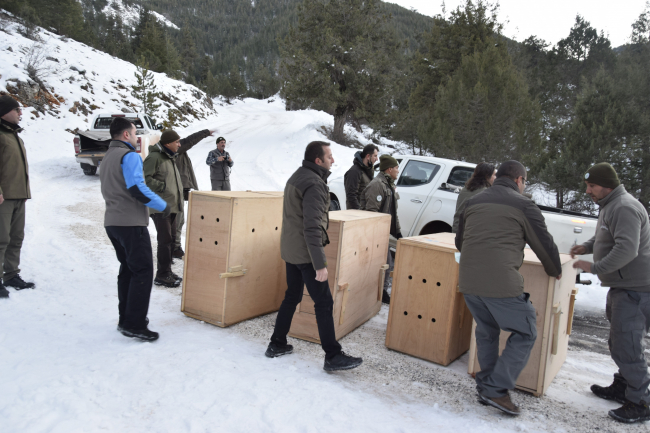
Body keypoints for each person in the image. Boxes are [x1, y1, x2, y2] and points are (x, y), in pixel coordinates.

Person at [456, 160, 562, 416]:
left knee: (487, 329)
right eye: (525, 182)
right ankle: (496, 388)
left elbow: (460, 241)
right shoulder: (524, 205)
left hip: (468, 281)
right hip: (500, 283)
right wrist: (555, 270)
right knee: (526, 332)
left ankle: (486, 386)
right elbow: (544, 244)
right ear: (519, 180)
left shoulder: (474, 201)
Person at [265, 141, 363, 372]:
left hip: (291, 250)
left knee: (292, 296)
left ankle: (276, 343)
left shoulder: (298, 176)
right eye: (329, 156)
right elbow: (312, 227)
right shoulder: (315, 184)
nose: (333, 160)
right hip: (305, 254)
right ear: (318, 160)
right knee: (324, 302)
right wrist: (320, 264)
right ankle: (333, 355)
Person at [570, 162, 650, 424]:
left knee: (627, 346)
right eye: (587, 186)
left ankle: (640, 401)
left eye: (591, 186)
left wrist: (594, 267)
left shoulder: (624, 207)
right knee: (620, 342)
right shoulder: (610, 206)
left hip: (635, 289)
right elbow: (607, 238)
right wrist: (587, 246)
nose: (588, 191)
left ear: (607, 185)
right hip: (623, 286)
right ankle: (623, 387)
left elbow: (627, 249)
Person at [100, 117, 168, 341]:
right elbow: (137, 188)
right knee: (143, 271)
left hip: (113, 222)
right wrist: (162, 205)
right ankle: (135, 324)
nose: (138, 136)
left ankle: (126, 319)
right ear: (126, 135)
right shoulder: (129, 156)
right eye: (134, 131)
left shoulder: (108, 156)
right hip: (131, 223)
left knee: (128, 270)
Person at [0, 95, 35, 299]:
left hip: (18, 196)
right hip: (3, 197)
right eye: (17, 110)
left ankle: (11, 274)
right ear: (5, 111)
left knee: (16, 237)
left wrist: (24, 193)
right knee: (1, 239)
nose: (20, 114)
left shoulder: (14, 135)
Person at [143, 130, 186, 288]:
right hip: (160, 206)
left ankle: (167, 271)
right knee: (165, 241)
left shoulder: (169, 157)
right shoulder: (154, 157)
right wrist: (162, 187)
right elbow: (145, 178)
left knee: (172, 240)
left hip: (172, 206)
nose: (179, 145)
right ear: (168, 143)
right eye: (177, 142)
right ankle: (161, 275)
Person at [360, 154, 402, 304]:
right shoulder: (377, 185)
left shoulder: (389, 185)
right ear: (389, 169)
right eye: (396, 168)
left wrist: (398, 232)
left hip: (384, 232)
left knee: (387, 263)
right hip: (375, 233)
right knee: (385, 263)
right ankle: (379, 292)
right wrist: (377, 235)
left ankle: (381, 290)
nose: (398, 170)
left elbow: (393, 211)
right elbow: (372, 213)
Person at [172, 128, 215, 259]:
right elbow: (189, 141)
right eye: (177, 141)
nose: (180, 143)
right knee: (176, 221)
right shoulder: (176, 149)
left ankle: (174, 248)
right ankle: (173, 248)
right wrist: (206, 132)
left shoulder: (178, 150)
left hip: (180, 189)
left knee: (179, 221)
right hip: (175, 191)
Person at [452, 162, 496, 233]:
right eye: (494, 175)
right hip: (472, 233)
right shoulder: (486, 193)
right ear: (488, 176)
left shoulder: (466, 188)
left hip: (458, 229)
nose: (495, 178)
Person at [344, 144, 378, 210]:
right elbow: (351, 196)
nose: (377, 159)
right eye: (375, 156)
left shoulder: (368, 171)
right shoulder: (354, 172)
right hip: (358, 215)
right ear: (368, 156)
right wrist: (359, 213)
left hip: (366, 213)